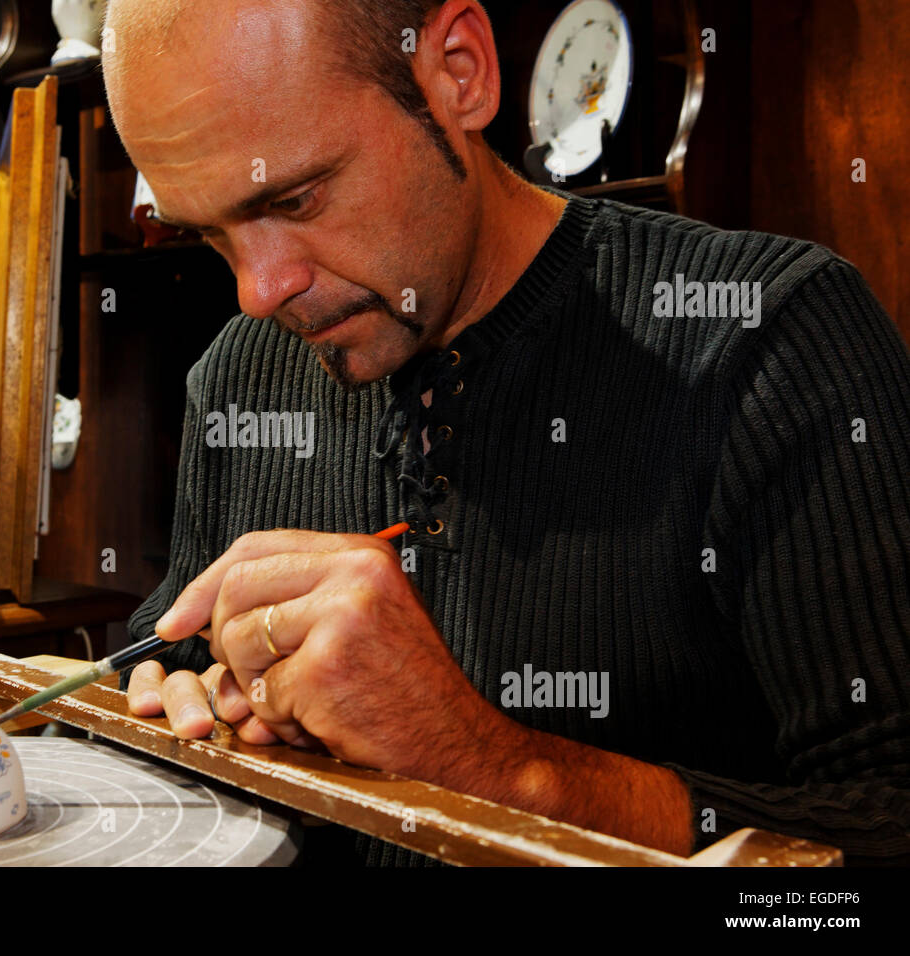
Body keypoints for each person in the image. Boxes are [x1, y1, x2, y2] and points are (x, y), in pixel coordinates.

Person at [103, 0, 910, 864]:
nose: (259, 291)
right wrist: (167, 701)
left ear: (458, 71)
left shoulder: (770, 337)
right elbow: (166, 652)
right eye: (210, 232)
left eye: (295, 198)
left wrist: (493, 767)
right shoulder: (239, 377)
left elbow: (883, 822)